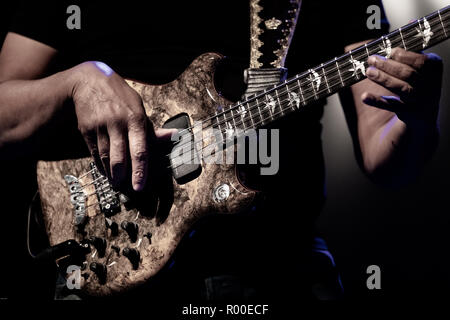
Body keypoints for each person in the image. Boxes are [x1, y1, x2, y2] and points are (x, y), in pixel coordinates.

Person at [0, 0, 443, 303]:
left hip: (279, 268)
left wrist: (417, 119)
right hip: (110, 259)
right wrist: (77, 81)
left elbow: (385, 161)